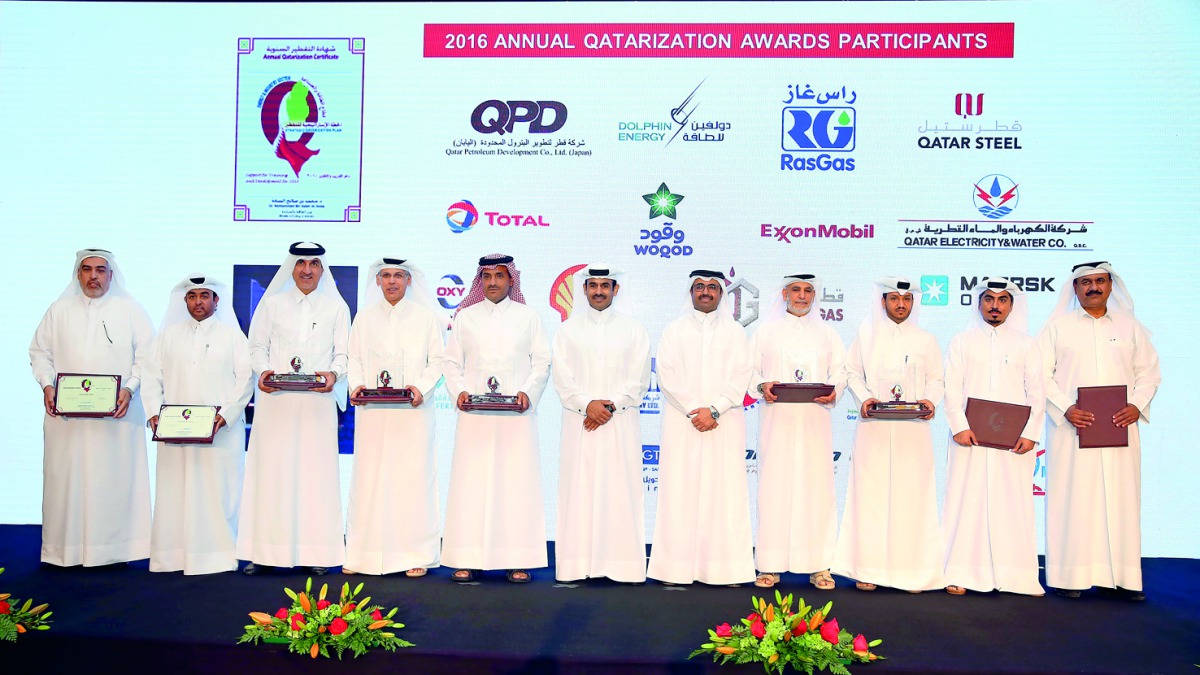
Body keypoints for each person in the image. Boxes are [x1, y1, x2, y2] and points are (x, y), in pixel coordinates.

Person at [1038, 261, 1160, 601]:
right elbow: (1040, 375)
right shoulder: (1056, 328)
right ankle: (1068, 578)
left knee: (1121, 500)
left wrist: (1136, 404)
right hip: (1072, 430)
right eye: (1086, 282)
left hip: (1120, 428)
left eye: (1100, 281)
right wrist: (1066, 408)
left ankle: (1121, 579)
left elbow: (1149, 373)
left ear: (1110, 286)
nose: (1093, 287)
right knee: (1073, 499)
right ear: (1075, 289)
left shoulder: (1130, 327)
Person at [29, 248, 155, 567]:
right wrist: (47, 385)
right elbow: (39, 352)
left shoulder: (130, 310)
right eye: (87, 270)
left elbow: (148, 357)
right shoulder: (59, 310)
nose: (94, 276)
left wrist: (130, 389)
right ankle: (65, 552)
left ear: (111, 275)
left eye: (101, 270)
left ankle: (114, 551)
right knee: (66, 481)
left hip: (116, 416)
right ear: (78, 274)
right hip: (66, 418)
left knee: (111, 480)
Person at [237, 242, 350, 576]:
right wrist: (263, 372)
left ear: (322, 269)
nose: (306, 270)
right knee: (271, 474)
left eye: (314, 264)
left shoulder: (335, 308)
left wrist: (334, 374)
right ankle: (263, 552)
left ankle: (317, 553)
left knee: (315, 476)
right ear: (291, 267)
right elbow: (255, 347)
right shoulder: (271, 305)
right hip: (276, 405)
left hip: (316, 405)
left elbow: (343, 354)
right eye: (301, 263)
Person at [442, 254, 551, 583]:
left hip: (515, 420)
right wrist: (459, 391)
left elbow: (542, 363)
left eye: (499, 276)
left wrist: (527, 393)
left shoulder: (528, 317)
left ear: (511, 280)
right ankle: (466, 557)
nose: (492, 282)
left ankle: (517, 559)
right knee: (470, 485)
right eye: (486, 276)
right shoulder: (465, 318)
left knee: (515, 486)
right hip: (475, 418)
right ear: (479, 280)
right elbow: (450, 363)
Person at [833, 276, 945, 593]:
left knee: (913, 498)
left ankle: (913, 572)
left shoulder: (926, 340)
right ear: (883, 302)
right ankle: (866, 570)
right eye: (894, 298)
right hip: (875, 430)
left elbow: (938, 380)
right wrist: (864, 397)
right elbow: (851, 372)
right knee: (871, 498)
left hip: (914, 432)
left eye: (907, 299)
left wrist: (930, 401)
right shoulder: (865, 337)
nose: (900, 304)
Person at [647, 269, 755, 586]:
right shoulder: (674, 330)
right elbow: (666, 375)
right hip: (684, 423)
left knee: (725, 494)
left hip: (724, 422)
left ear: (721, 294)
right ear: (691, 292)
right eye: (699, 287)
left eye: (712, 287)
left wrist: (715, 409)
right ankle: (674, 569)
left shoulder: (736, 332)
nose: (705, 292)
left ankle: (726, 569)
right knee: (680, 492)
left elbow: (741, 375)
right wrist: (696, 410)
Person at [143, 275, 254, 575]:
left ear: (217, 301)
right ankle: (172, 557)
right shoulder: (167, 336)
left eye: (205, 296)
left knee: (217, 493)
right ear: (184, 301)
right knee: (174, 492)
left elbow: (246, 378)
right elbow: (151, 377)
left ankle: (217, 557)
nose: (199, 302)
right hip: (174, 432)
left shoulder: (233, 337)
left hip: (219, 433)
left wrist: (225, 415)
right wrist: (154, 412)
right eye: (193, 297)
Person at [941, 278, 1045, 596]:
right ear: (979, 303)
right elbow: (952, 387)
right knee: (965, 501)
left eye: (1002, 300)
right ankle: (959, 573)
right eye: (989, 299)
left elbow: (1037, 392)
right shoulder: (962, 341)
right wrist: (959, 425)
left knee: (1012, 503)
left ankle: (1015, 576)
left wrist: (1030, 434)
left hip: (1013, 442)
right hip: (968, 437)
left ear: (1012, 306)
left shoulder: (1027, 344)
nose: (995, 306)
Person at [344, 258, 445, 577]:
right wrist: (356, 385)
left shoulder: (426, 317)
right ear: (377, 281)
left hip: (412, 414)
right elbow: (353, 358)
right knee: (369, 480)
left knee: (411, 481)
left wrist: (422, 388)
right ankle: (363, 555)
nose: (391, 282)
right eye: (385, 276)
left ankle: (415, 555)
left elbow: (438, 361)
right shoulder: (364, 317)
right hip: (373, 412)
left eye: (398, 276)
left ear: (409, 281)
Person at [551, 264, 651, 583]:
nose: (598, 291)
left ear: (615, 290)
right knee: (578, 492)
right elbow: (562, 377)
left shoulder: (634, 329)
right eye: (592, 285)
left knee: (619, 491)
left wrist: (608, 407)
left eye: (604, 285)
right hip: (580, 423)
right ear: (584, 290)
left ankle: (621, 566)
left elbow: (639, 378)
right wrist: (587, 405)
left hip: (618, 423)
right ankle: (576, 565)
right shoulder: (568, 330)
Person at [749, 274, 846, 590]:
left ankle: (818, 566)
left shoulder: (828, 334)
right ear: (784, 294)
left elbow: (840, 373)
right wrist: (762, 385)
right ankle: (769, 565)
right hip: (777, 424)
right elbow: (748, 372)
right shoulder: (766, 333)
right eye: (796, 290)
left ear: (814, 295)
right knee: (774, 491)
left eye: (807, 291)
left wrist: (836, 392)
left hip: (815, 424)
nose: (802, 296)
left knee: (816, 492)